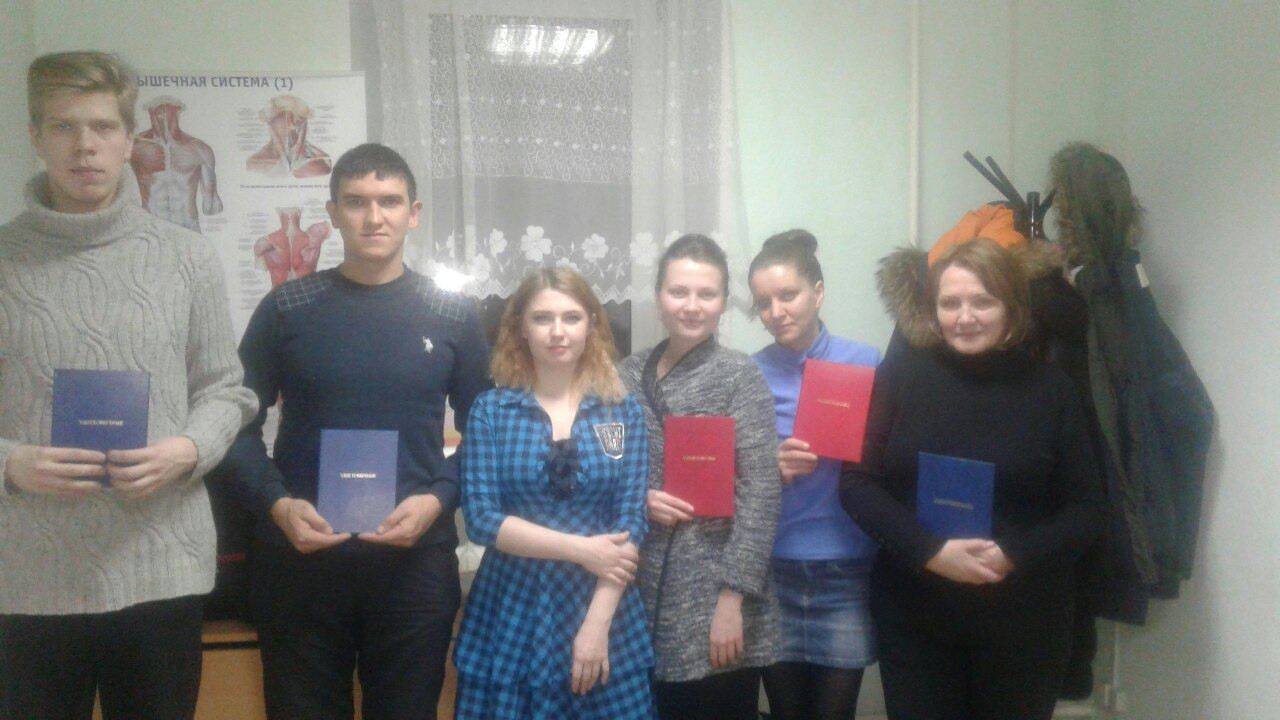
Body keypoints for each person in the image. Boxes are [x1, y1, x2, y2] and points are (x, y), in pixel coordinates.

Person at [0, 51, 257, 720]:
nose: (84, 145)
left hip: (161, 569)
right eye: (63, 126)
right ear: (35, 136)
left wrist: (188, 450)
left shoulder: (187, 258)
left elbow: (226, 390)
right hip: (28, 580)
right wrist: (11, 463)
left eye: (102, 126)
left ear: (129, 138)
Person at [218, 142, 491, 719]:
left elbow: (489, 433)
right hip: (299, 562)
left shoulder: (454, 314)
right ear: (333, 212)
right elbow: (233, 425)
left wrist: (440, 499)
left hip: (415, 564)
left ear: (413, 213)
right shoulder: (287, 307)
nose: (374, 217)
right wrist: (276, 504)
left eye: (389, 201)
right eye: (356, 202)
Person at [839, 237, 1105, 720]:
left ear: (1012, 306)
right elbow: (857, 483)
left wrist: (1014, 555)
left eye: (983, 301)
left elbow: (1088, 509)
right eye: (950, 303)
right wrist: (931, 551)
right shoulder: (899, 376)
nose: (965, 317)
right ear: (933, 309)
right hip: (915, 618)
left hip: (1024, 623)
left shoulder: (1051, 389)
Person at [455, 267, 655, 719]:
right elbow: (482, 519)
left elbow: (631, 520)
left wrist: (597, 624)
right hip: (512, 606)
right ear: (521, 329)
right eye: (542, 318)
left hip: (603, 602)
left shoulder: (622, 410)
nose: (558, 331)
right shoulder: (491, 411)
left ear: (592, 325)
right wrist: (583, 550)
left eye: (572, 317)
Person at [618, 234, 780, 720]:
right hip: (636, 584)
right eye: (679, 291)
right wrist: (641, 497)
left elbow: (761, 492)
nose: (692, 306)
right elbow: (606, 469)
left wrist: (733, 598)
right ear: (658, 297)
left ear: (724, 302)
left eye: (706, 294)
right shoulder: (627, 374)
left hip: (715, 592)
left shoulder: (739, 375)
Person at [748, 230, 881, 720]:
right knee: (786, 713)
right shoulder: (748, 374)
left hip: (845, 568)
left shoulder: (866, 363)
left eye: (788, 295)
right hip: (771, 569)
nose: (776, 312)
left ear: (818, 292)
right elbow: (726, 476)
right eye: (764, 303)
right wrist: (769, 466)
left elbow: (893, 461)